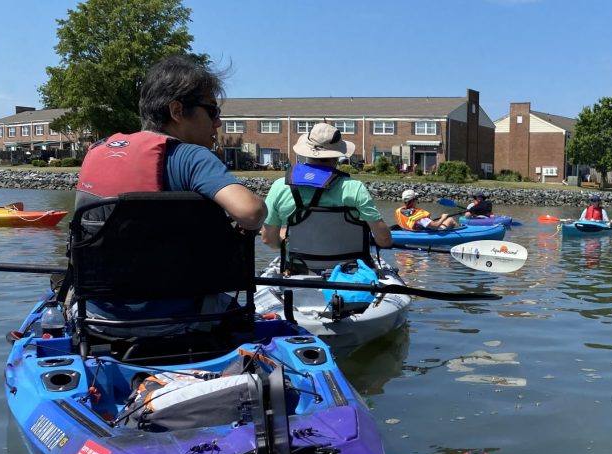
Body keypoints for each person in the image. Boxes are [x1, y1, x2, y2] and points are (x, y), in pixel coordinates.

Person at [71, 55, 267, 335]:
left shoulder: (97, 152)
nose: (218, 123)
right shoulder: (191, 157)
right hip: (180, 319)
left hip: (96, 316)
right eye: (212, 111)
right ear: (177, 110)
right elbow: (251, 212)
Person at [261, 122, 392, 251]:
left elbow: (268, 239)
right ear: (338, 155)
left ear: (306, 153)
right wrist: (385, 242)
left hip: (298, 266)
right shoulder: (354, 188)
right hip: (347, 268)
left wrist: (284, 245)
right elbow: (384, 240)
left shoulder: (280, 185)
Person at [395, 190, 462, 230]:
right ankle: (461, 232)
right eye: (416, 198)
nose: (417, 200)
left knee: (440, 220)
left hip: (409, 231)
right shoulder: (419, 215)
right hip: (425, 233)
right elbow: (435, 226)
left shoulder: (399, 211)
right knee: (450, 219)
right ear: (413, 201)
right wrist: (443, 217)